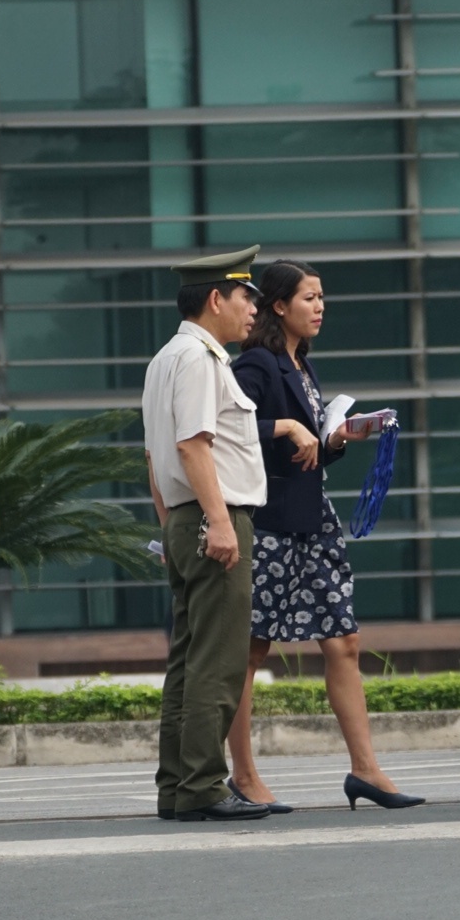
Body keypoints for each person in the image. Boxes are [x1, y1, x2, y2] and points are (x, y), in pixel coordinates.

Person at [222, 261, 422, 813]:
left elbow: (307, 444)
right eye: (310, 297)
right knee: (250, 650)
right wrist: (286, 427)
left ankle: (366, 770)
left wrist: (337, 437)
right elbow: (228, 429)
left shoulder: (302, 366)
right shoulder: (256, 364)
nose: (320, 306)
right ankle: (243, 774)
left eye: (323, 297)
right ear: (279, 306)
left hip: (314, 521)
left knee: (344, 641)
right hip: (268, 524)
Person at [142, 245, 271, 822]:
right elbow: (192, 445)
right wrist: (219, 522)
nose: (253, 312)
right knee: (217, 661)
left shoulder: (167, 357)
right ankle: (202, 787)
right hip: (213, 517)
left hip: (185, 518)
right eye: (247, 298)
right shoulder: (199, 358)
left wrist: (173, 528)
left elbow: (153, 458)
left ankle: (177, 786)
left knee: (189, 660)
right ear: (216, 298)